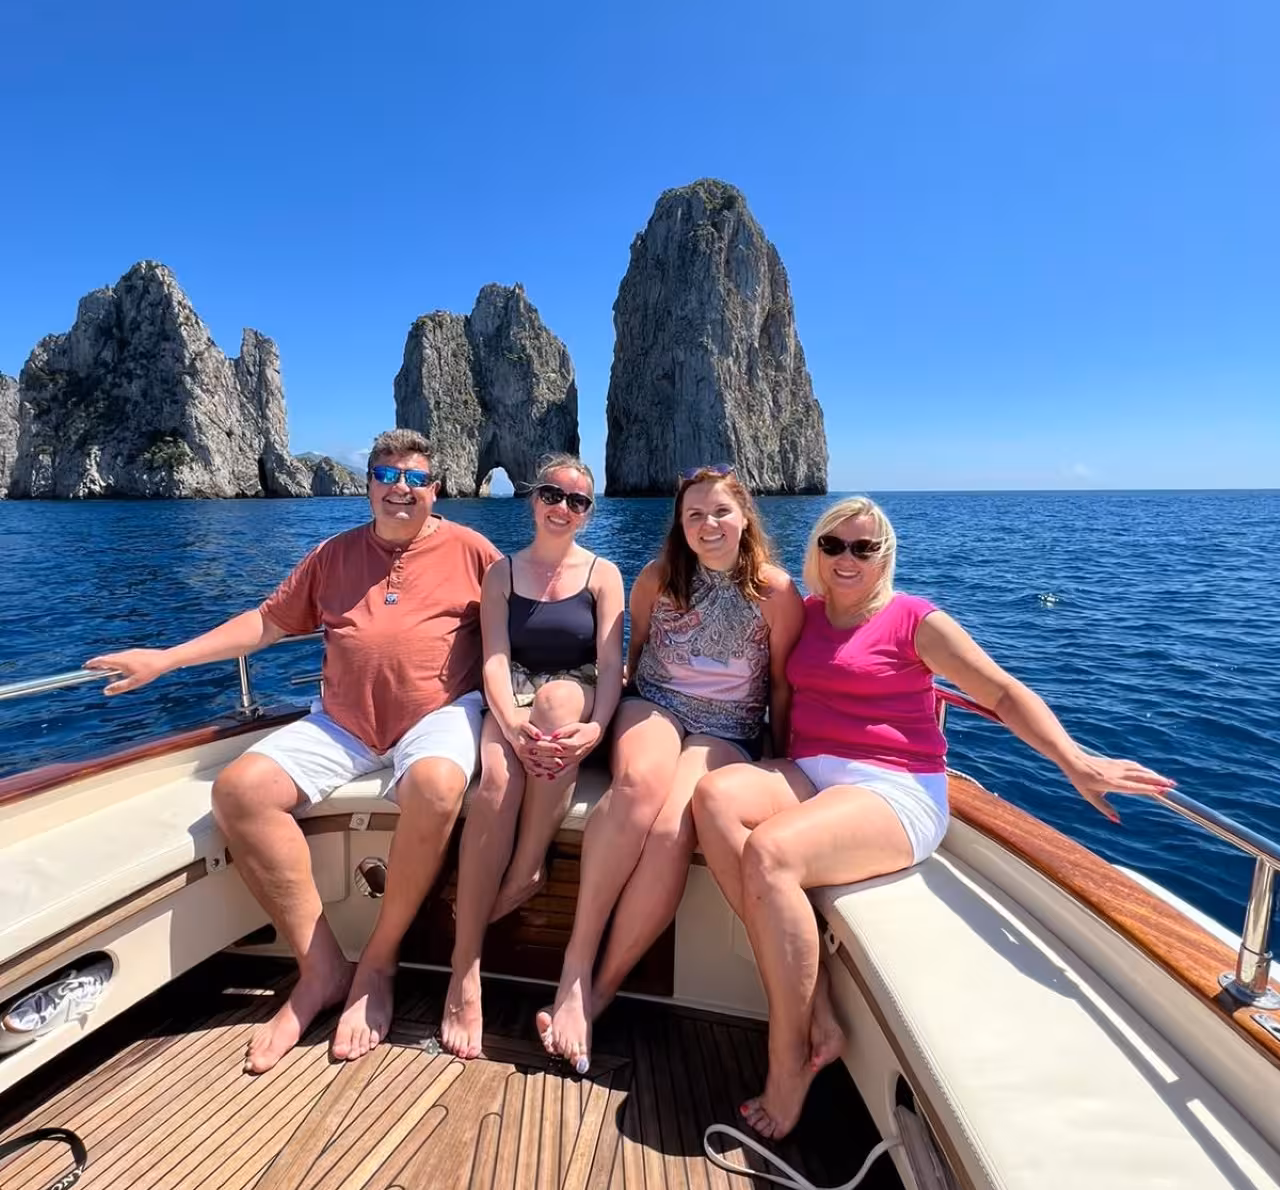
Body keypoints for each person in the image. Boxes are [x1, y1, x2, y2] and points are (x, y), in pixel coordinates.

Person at [692, 495, 1177, 1139]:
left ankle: (789, 1065)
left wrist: (1076, 761)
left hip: (895, 790)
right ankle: (822, 1011)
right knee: (715, 798)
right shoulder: (805, 615)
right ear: (816, 551)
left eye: (864, 548)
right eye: (835, 544)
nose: (847, 558)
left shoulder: (914, 619)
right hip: (813, 773)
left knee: (772, 854)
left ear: (885, 556)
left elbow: (1001, 690)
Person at [85, 429, 502, 1074]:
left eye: (416, 479)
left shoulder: (472, 550)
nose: (401, 489)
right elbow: (266, 623)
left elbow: (519, 623)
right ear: (367, 484)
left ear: (435, 489)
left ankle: (378, 962)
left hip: (438, 713)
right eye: (386, 475)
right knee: (240, 791)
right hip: (342, 720)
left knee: (440, 785)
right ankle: (321, 969)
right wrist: (165, 659)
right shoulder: (333, 555)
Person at [537, 464, 805, 1072]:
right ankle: (574, 968)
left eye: (720, 512)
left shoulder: (777, 593)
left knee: (671, 827)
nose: (708, 525)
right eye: (694, 515)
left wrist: (781, 757)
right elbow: (634, 659)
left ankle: (600, 990)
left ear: (744, 519)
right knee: (637, 788)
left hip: (728, 726)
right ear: (680, 525)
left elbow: (782, 688)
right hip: (654, 704)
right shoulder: (658, 579)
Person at [441, 455, 624, 1059]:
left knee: (555, 703)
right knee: (494, 781)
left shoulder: (604, 574)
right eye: (554, 493)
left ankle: (525, 869)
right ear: (533, 498)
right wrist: (509, 720)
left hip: (574, 690)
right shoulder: (502, 572)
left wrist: (597, 728)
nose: (564, 507)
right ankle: (464, 971)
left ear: (589, 514)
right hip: (511, 692)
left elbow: (612, 664)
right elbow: (493, 657)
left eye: (578, 501)